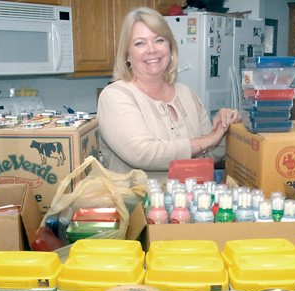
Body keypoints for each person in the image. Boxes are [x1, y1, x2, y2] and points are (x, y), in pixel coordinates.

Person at [97, 7, 241, 178]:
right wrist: (206, 140)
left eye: (159, 40)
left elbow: (209, 154)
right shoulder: (115, 95)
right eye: (140, 43)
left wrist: (225, 127)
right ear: (127, 55)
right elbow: (144, 154)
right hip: (136, 196)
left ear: (170, 47)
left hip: (190, 195)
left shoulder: (187, 94)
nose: (152, 49)